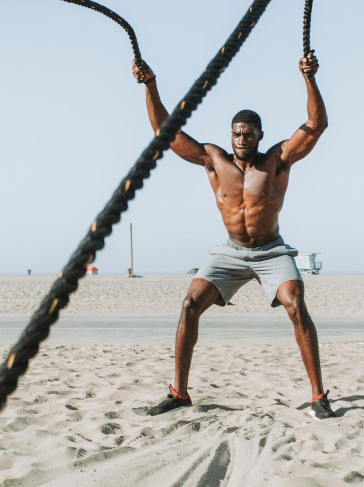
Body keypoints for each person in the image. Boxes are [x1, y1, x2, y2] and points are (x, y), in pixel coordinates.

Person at [132, 52, 336, 420]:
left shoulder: (276, 160)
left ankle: (319, 396)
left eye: (248, 133)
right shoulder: (214, 160)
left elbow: (316, 124)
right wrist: (151, 85)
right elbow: (166, 132)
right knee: (190, 304)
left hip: (272, 252)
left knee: (295, 304)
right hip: (230, 252)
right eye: (237, 133)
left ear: (260, 135)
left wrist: (309, 78)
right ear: (232, 135)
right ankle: (178, 393)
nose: (242, 138)